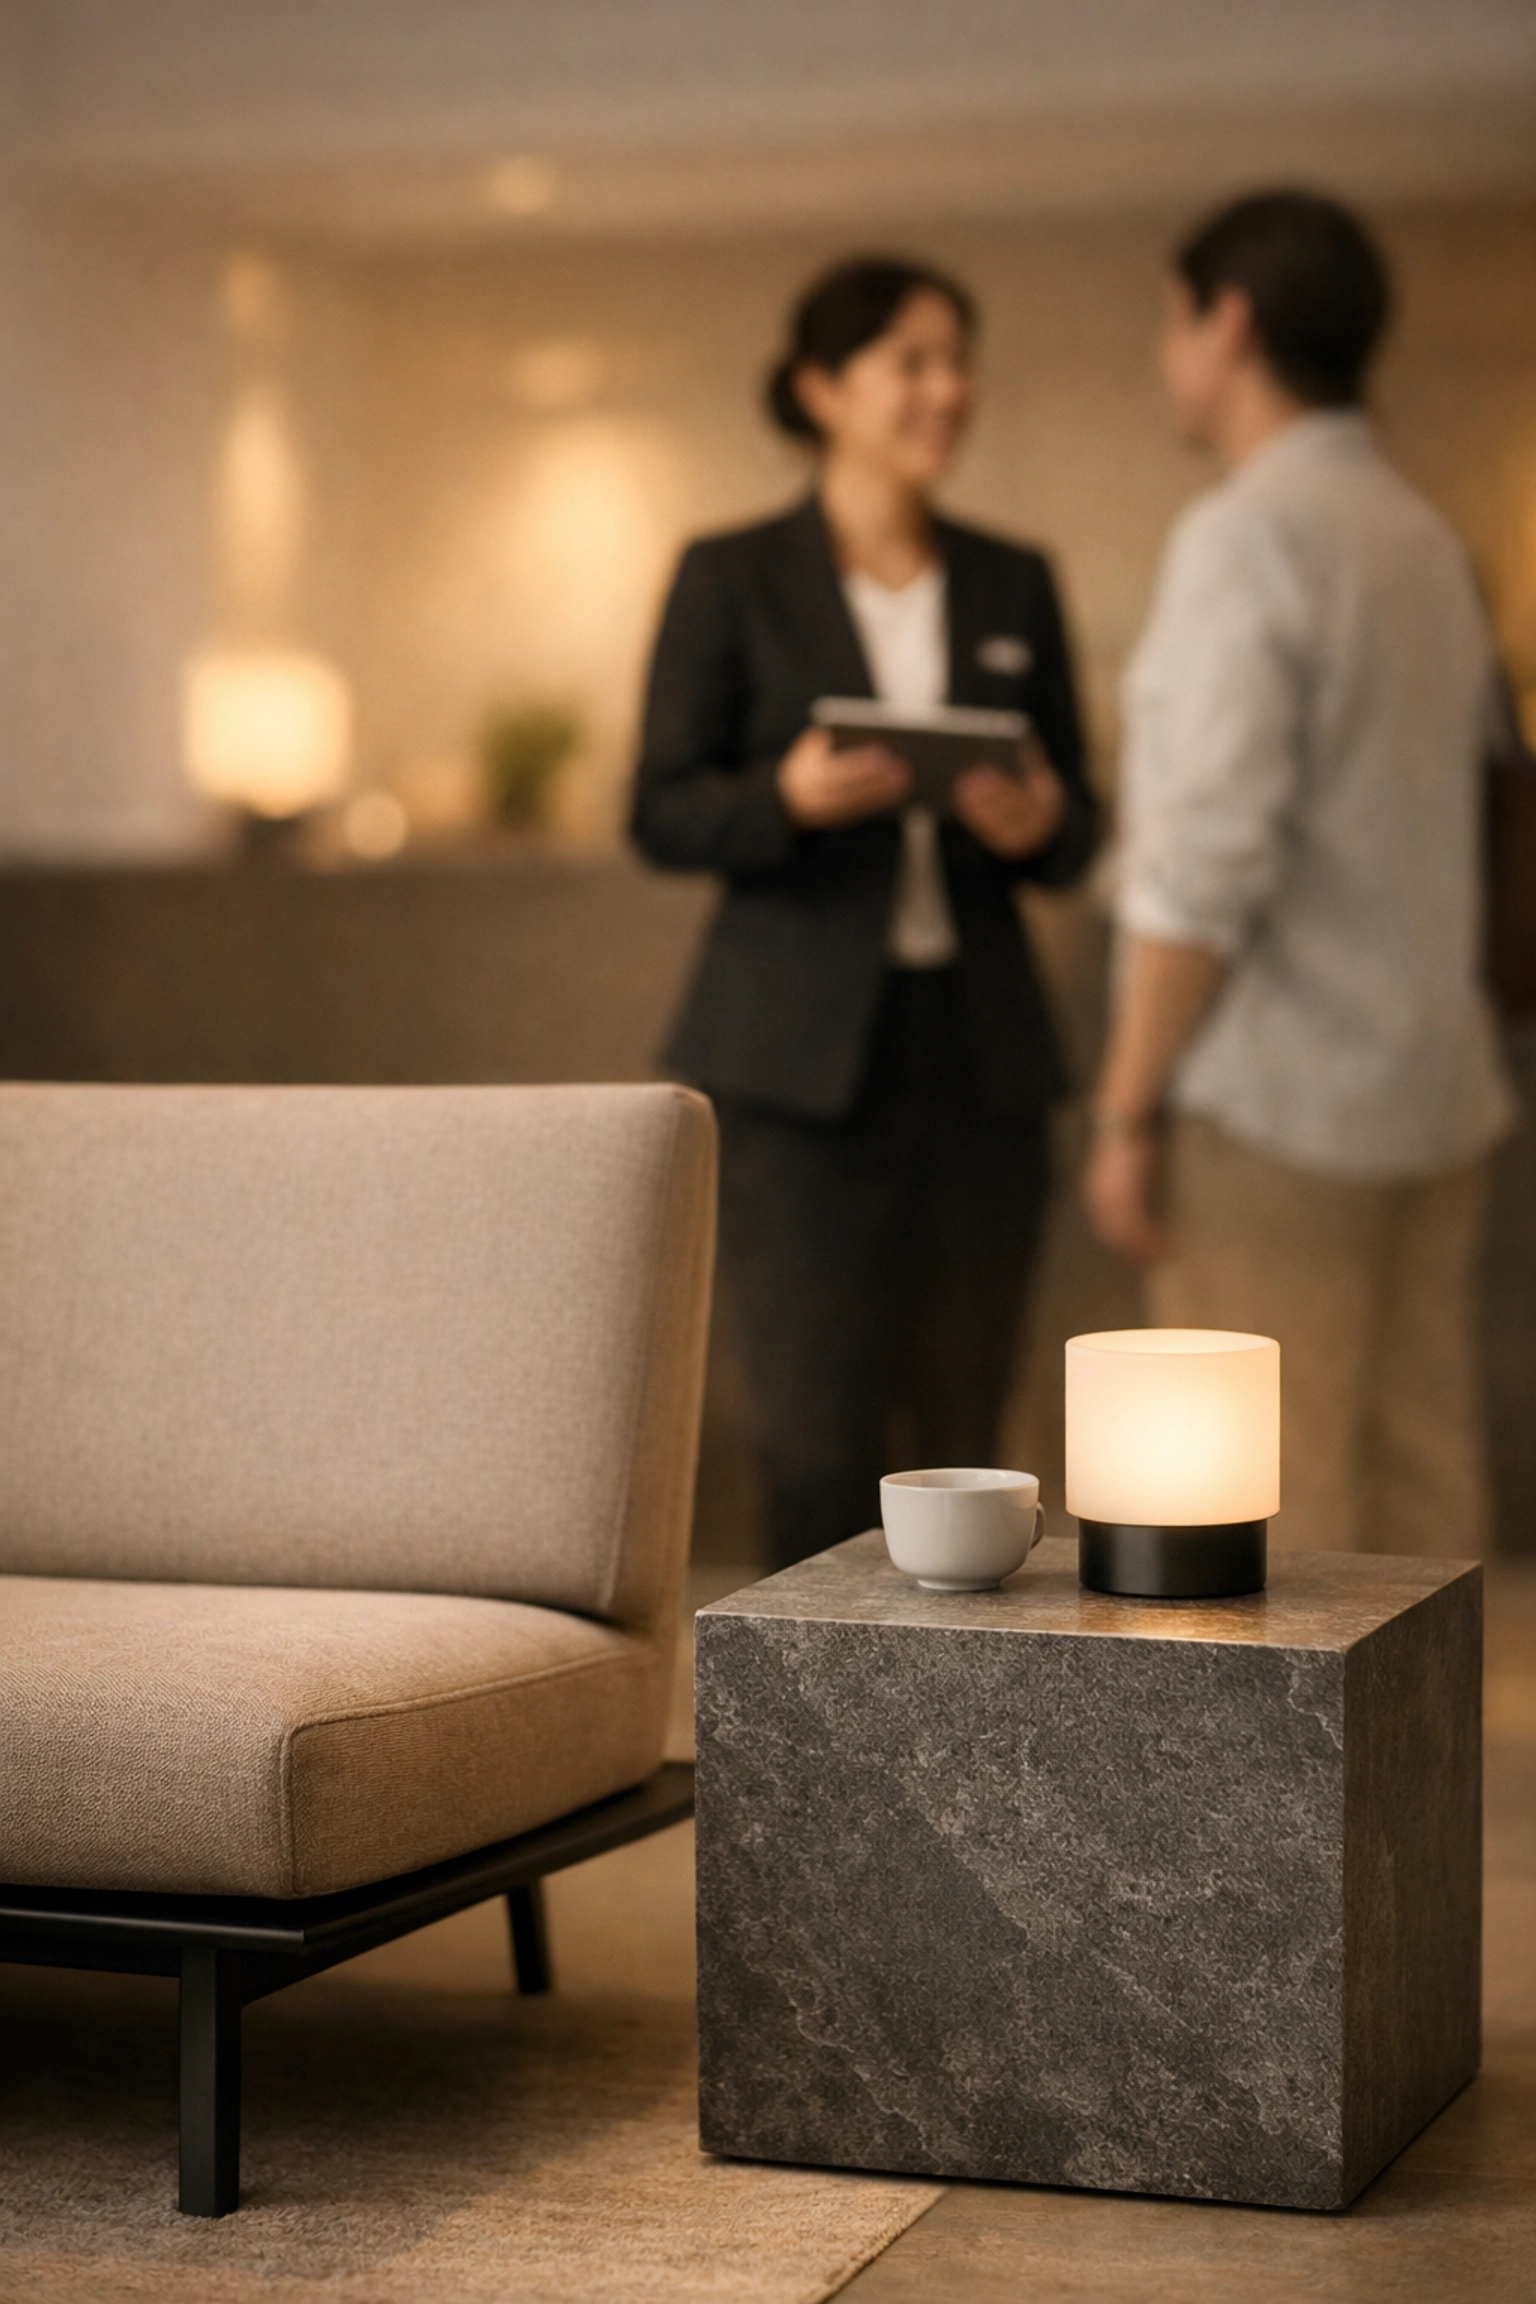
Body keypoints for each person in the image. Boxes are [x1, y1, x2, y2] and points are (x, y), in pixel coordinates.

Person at [632, 255, 1097, 1570]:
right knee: (818, 1441)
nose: (948, 390)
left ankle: (972, 1748)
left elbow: (1083, 827)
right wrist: (786, 797)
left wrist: (1040, 824)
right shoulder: (731, 575)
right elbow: (660, 809)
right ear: (821, 388)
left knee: (970, 1443)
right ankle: (815, 1762)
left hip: (981, 1054)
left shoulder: (1014, 579)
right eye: (913, 361)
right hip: (795, 1069)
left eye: (960, 361)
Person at [1086, 190, 1515, 1556]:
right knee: (1417, 1486)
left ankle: (1297, 1789)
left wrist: (1125, 1108)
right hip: (1437, 1085)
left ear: (1232, 322)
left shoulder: (1246, 535)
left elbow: (1205, 864)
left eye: (1173, 319)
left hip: (1275, 1103)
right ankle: (1427, 1782)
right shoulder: (1427, 538)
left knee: (1267, 1511)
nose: (1168, 356)